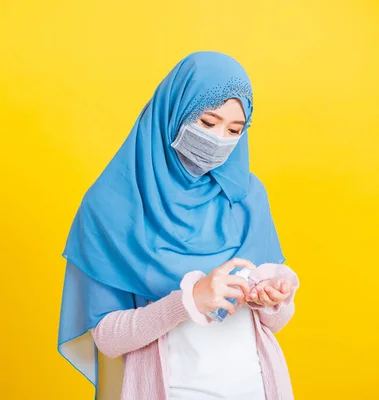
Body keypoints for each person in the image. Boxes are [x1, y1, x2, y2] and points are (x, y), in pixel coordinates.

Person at [57, 51, 300, 400]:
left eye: (234, 129)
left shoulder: (247, 196)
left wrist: (274, 300)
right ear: (174, 111)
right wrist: (188, 301)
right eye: (207, 122)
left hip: (257, 386)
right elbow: (107, 337)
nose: (219, 139)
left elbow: (272, 323)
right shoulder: (109, 207)